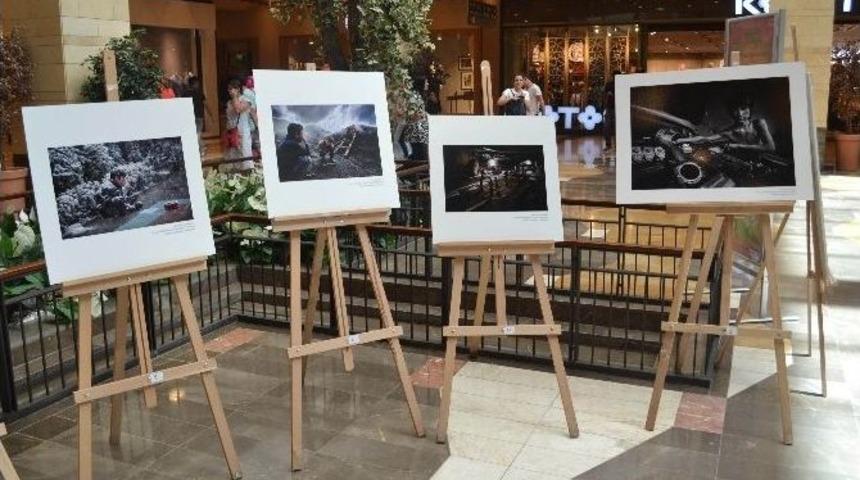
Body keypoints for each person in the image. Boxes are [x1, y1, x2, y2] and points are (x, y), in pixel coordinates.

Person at [224, 79, 254, 171]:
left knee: (245, 156)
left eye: (231, 89)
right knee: (233, 158)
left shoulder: (246, 100)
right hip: (231, 132)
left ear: (237, 89)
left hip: (243, 132)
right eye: (228, 89)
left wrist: (235, 97)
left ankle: (248, 175)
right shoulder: (229, 102)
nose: (229, 91)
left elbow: (238, 109)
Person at [602, 70, 621, 149]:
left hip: (618, 107)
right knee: (607, 126)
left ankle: (616, 144)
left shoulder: (622, 84)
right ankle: (608, 144)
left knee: (616, 126)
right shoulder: (609, 84)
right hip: (610, 107)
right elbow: (605, 94)